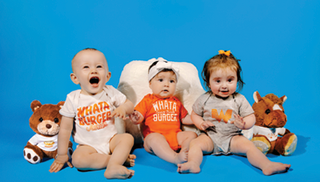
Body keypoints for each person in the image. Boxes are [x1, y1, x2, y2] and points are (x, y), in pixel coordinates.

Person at [177, 50, 291, 175]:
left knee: (249, 146)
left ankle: (266, 165)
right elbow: (195, 114)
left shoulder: (239, 99)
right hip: (210, 137)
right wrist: (201, 123)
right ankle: (193, 163)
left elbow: (251, 116)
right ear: (209, 83)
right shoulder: (204, 98)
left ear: (237, 80)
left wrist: (244, 124)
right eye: (218, 81)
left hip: (232, 138)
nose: (224, 86)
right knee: (195, 144)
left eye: (230, 80)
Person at [49, 48, 136, 179]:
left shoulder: (110, 91)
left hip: (111, 140)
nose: (93, 70)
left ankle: (113, 167)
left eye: (99, 66)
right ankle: (116, 161)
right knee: (78, 160)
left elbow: (129, 104)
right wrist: (62, 154)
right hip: (88, 146)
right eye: (86, 67)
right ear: (75, 78)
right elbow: (65, 129)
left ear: (107, 76)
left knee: (127, 138)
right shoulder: (73, 98)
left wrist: (123, 109)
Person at [129, 59, 197, 167]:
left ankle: (184, 151)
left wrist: (196, 117)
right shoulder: (148, 100)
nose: (166, 84)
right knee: (153, 138)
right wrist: (136, 117)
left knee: (191, 135)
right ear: (150, 84)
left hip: (174, 136)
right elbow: (139, 117)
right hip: (155, 139)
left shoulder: (176, 102)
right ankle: (175, 158)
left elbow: (184, 118)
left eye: (171, 81)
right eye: (161, 80)